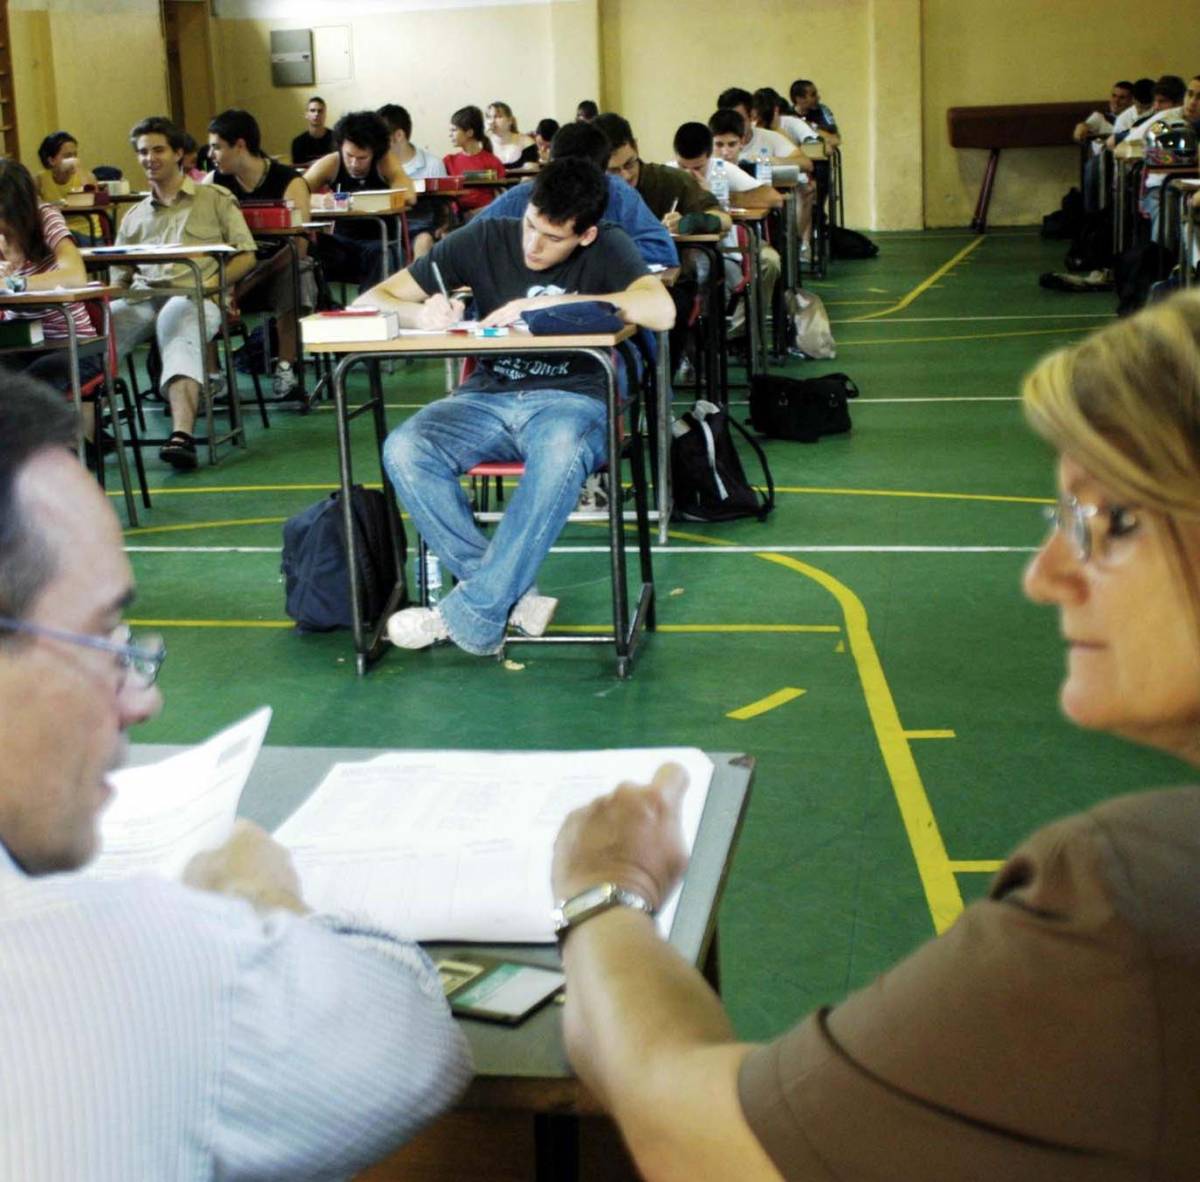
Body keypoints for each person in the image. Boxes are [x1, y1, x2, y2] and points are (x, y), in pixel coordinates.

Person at [549, 293, 1200, 1181]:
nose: (1048, 576)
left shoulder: (1135, 900)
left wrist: (603, 892)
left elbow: (696, 1135)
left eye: (1112, 522)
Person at [0, 375, 472, 1178]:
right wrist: (268, 904)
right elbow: (412, 1043)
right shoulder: (135, 962)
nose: (141, 697)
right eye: (101, 638)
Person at [359, 158, 674, 657]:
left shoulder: (610, 244)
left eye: (552, 238)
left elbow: (662, 310)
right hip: (487, 396)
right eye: (531, 226)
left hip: (572, 402)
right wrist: (422, 311)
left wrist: (542, 307)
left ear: (586, 236)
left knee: (561, 450)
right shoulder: (484, 237)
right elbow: (374, 299)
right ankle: (509, 596)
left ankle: (473, 612)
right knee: (405, 448)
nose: (533, 246)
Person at [108, 115, 258, 470]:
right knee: (103, 326)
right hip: (145, 298)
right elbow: (120, 277)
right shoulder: (132, 216)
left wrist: (213, 285)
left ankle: (182, 435)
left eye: (158, 149)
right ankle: (86, 431)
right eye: (143, 152)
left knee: (177, 318)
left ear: (179, 153)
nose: (150, 158)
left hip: (197, 297)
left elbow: (247, 255)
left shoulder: (215, 199)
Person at [206, 108, 314, 399]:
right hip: (232, 271)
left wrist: (247, 281)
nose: (211, 154)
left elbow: (300, 245)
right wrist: (225, 281)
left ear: (240, 145)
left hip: (277, 266)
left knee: (297, 274)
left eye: (217, 147)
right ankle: (214, 376)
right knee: (198, 284)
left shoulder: (289, 182)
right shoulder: (212, 184)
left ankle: (286, 368)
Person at [474, 120, 678, 271]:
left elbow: (662, 250)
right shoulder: (521, 198)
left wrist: (585, 255)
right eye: (562, 174)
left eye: (582, 179)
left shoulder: (618, 193)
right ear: (549, 164)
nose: (571, 188)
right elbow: (466, 247)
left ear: (602, 174)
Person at [0, 159, 98, 431]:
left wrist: (15, 283)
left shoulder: (46, 218)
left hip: (70, 344)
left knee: (24, 391)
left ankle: (59, 455)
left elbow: (74, 275)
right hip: (19, 341)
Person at [304, 109, 416, 288]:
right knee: (308, 248)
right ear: (341, 147)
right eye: (349, 156)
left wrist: (383, 196)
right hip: (342, 243)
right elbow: (295, 193)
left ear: (375, 153)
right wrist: (318, 200)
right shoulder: (332, 162)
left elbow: (409, 195)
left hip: (380, 241)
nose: (354, 164)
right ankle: (323, 306)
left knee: (381, 254)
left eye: (362, 158)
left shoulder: (385, 161)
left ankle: (370, 308)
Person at [378, 102, 448, 260]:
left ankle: (418, 284)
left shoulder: (432, 164)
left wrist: (443, 226)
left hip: (422, 228)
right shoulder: (377, 166)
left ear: (399, 135)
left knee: (424, 242)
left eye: (381, 137)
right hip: (386, 229)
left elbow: (444, 206)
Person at [33, 129, 98, 242]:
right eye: (67, 156)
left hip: (87, 233)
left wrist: (80, 170)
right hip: (55, 231)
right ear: (51, 161)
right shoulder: (40, 180)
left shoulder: (86, 177)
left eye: (75, 155)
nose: (74, 160)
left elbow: (93, 201)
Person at [442, 104, 506, 216]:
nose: (450, 135)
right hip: (458, 218)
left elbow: (501, 198)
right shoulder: (448, 161)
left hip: (487, 215)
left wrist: (477, 213)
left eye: (454, 130)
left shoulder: (492, 161)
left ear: (469, 133)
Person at [487, 101, 539, 168]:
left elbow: (530, 173)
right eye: (489, 117)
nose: (492, 121)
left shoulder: (526, 142)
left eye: (498, 117)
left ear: (510, 120)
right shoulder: (482, 144)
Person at [291, 95, 334, 166]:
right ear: (306, 115)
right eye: (312, 110)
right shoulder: (298, 142)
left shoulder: (336, 138)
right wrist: (315, 164)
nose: (316, 114)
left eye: (320, 111)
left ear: (325, 115)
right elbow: (297, 168)